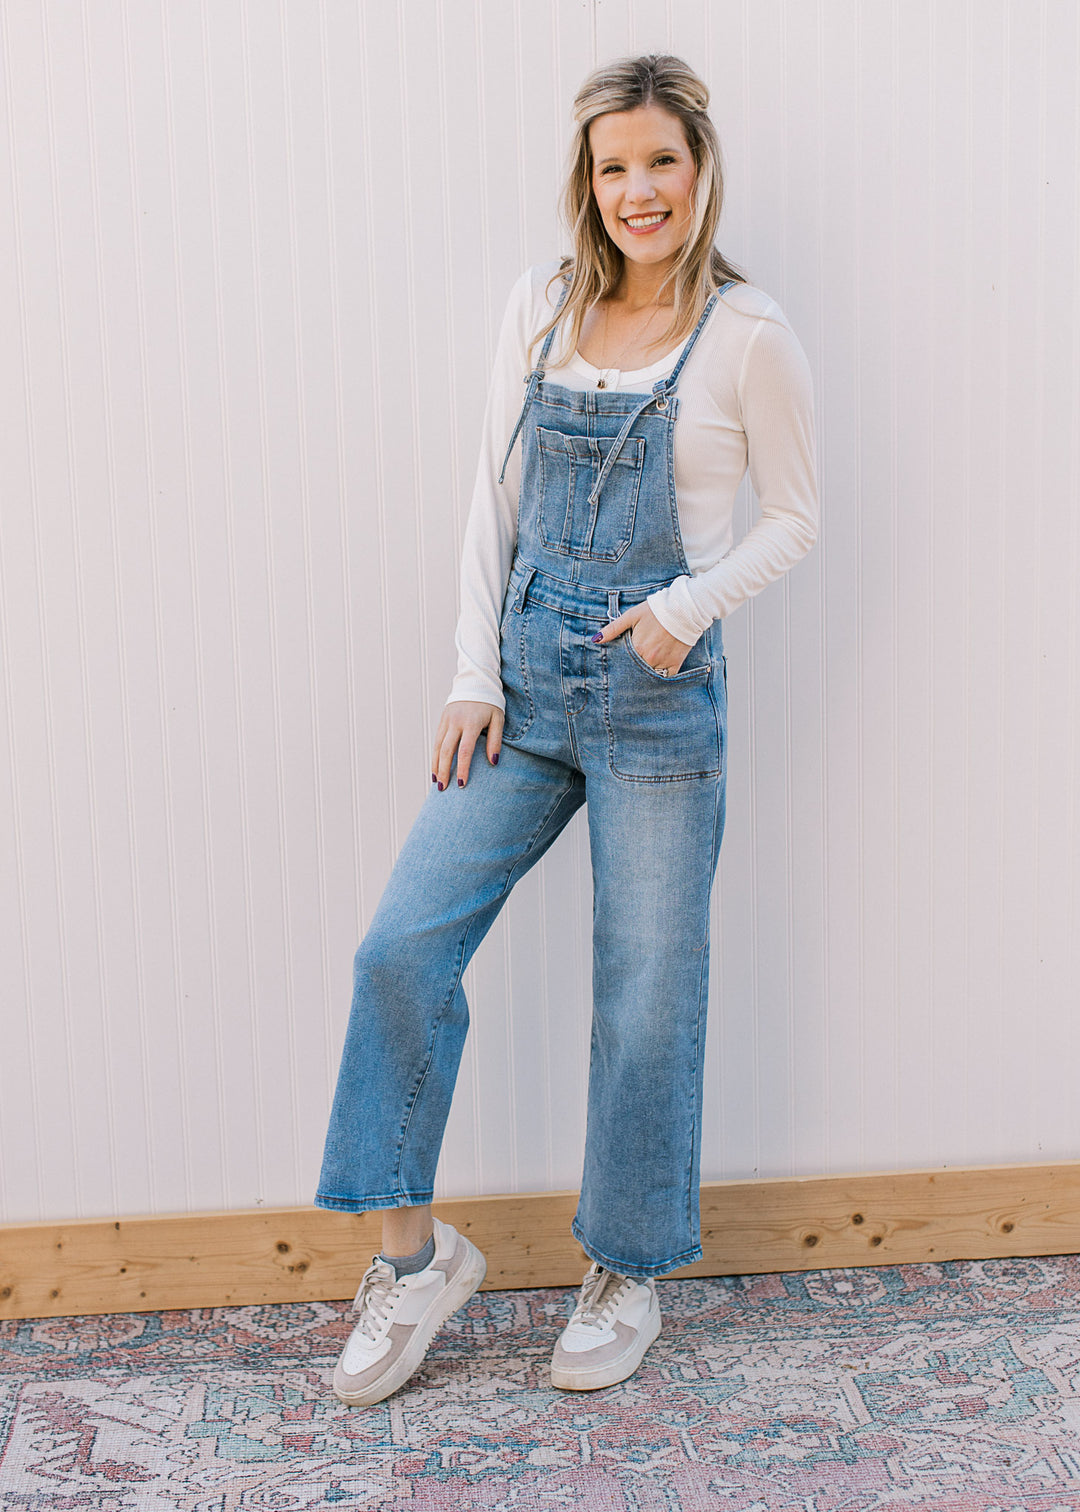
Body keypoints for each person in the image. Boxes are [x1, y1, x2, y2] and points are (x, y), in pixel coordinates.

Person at [314, 53, 818, 1406]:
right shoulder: (539, 305)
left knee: (648, 998)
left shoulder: (748, 332)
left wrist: (685, 609)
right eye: (613, 167)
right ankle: (412, 1261)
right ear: (585, 186)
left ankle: (627, 1267)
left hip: (660, 700)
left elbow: (795, 516)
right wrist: (469, 674)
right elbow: (490, 498)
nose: (637, 190)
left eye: (660, 161)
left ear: (700, 170)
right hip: (524, 692)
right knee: (399, 952)